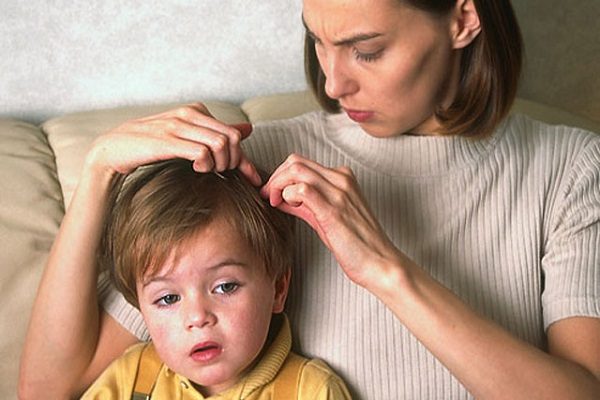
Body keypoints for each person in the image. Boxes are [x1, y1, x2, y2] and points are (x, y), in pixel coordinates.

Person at [20, 0, 600, 399]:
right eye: (318, 40)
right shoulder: (264, 162)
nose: (331, 84)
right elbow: (51, 387)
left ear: (463, 18)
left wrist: (386, 271)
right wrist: (99, 170)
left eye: (365, 50)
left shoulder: (572, 168)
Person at [80, 159, 351, 399]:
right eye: (168, 298)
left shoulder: (312, 391)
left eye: (225, 287)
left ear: (278, 288)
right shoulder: (133, 377)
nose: (198, 317)